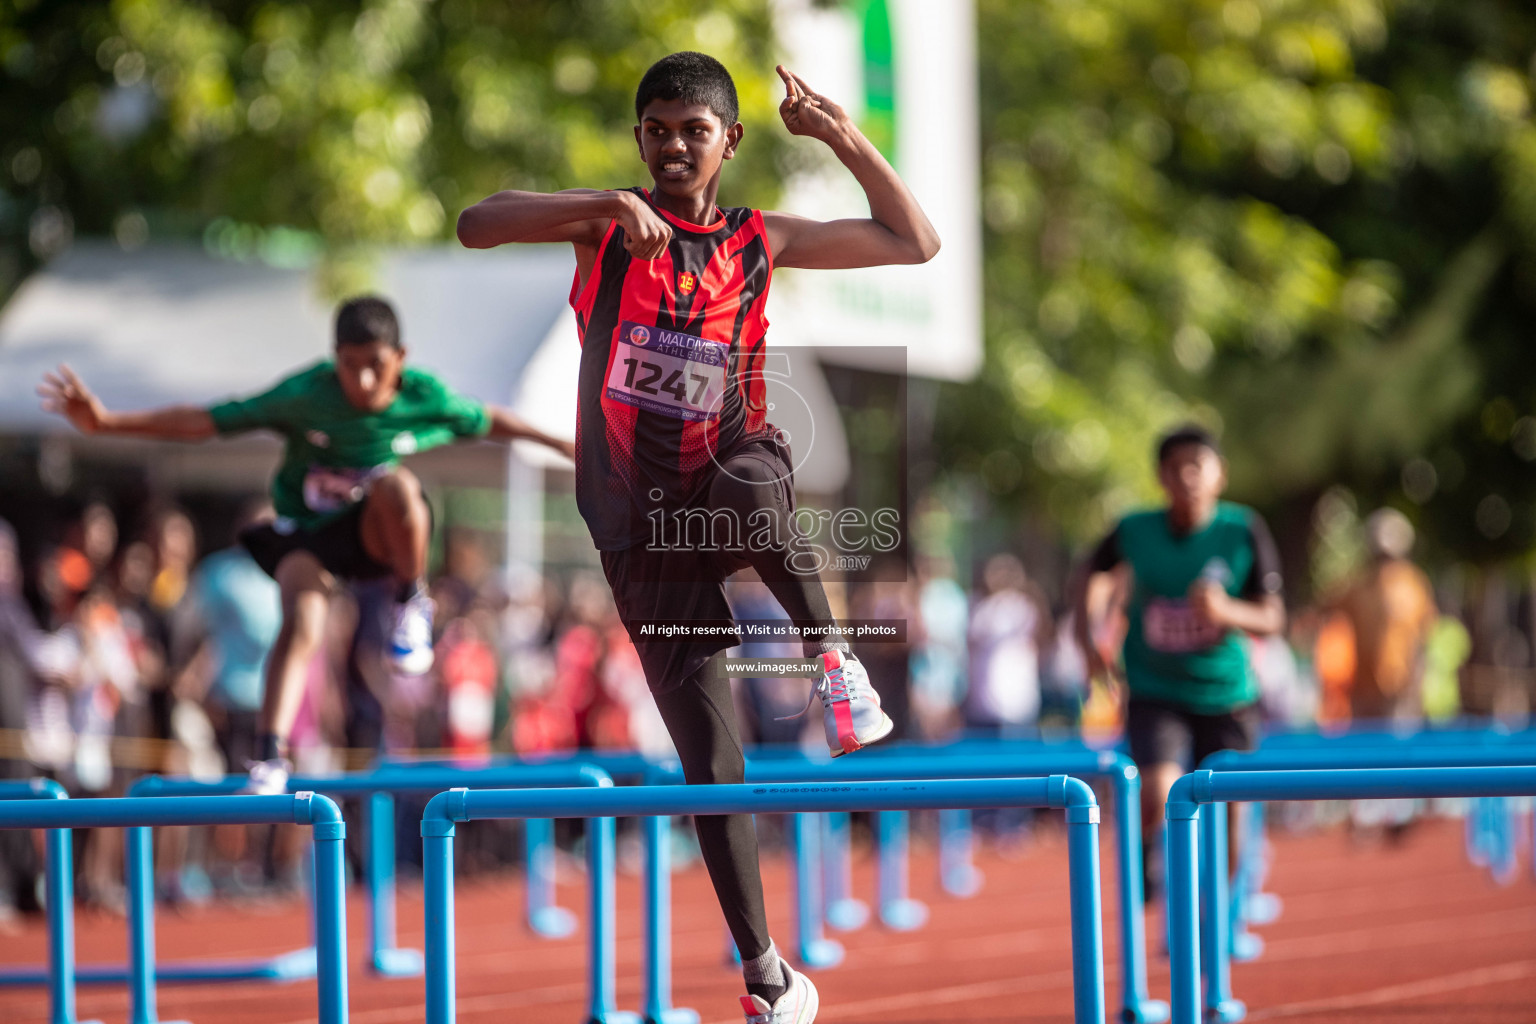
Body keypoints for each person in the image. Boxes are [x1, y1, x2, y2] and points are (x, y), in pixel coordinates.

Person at [457, 52, 939, 1021]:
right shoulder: (606, 227)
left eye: (694, 129)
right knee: (710, 756)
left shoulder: (761, 239)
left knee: (757, 484)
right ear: (640, 138)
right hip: (636, 524)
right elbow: (477, 223)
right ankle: (766, 972)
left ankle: (835, 662)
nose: (675, 145)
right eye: (657, 130)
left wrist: (841, 134)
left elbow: (913, 241)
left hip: (728, 473)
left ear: (730, 140)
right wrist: (599, 199)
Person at [37, 296, 573, 793]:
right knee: (303, 621)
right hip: (309, 535)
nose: (361, 380)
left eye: (376, 365)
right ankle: (269, 756)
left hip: (373, 535)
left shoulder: (422, 395)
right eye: (348, 364)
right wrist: (108, 422)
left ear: (401, 358)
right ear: (334, 358)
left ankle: (411, 600)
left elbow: (490, 419)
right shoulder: (306, 395)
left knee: (399, 487)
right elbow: (209, 420)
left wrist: (561, 442)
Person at [1071, 424, 1285, 896]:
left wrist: (1226, 610)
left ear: (1219, 475)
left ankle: (1217, 920)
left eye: (1197, 465)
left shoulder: (1242, 530)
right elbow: (1090, 571)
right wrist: (1086, 641)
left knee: (1230, 817)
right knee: (1158, 790)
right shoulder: (1134, 530)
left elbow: (1274, 617)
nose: (1187, 475)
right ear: (1161, 477)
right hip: (1155, 689)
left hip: (1226, 693)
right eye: (1175, 467)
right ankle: (1150, 859)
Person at [1334, 508, 1438, 725]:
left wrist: (1416, 682)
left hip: (1400, 691)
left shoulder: (1413, 584)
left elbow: (1426, 634)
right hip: (1363, 690)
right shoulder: (1358, 585)